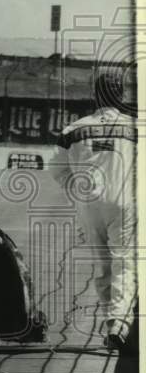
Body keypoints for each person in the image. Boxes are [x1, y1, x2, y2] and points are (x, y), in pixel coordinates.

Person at [50, 69, 137, 352]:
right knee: (124, 262)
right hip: (123, 202)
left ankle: (111, 321)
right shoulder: (135, 127)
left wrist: (76, 191)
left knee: (103, 266)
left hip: (88, 204)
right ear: (121, 93)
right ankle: (118, 323)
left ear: (95, 94)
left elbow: (57, 170)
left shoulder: (73, 129)